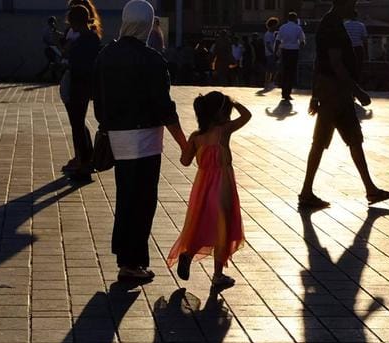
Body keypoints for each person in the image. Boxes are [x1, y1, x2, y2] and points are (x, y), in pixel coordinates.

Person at [95, 0, 186, 285]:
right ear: (147, 25)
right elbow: (164, 107)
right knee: (143, 201)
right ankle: (133, 263)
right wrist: (184, 144)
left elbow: (98, 99)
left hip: (118, 139)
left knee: (126, 199)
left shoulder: (106, 55)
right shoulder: (152, 59)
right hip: (145, 140)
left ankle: (125, 258)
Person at [297, 0, 389, 211]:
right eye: (353, 3)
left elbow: (318, 62)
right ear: (343, 4)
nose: (355, 8)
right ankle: (306, 193)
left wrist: (315, 94)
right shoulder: (332, 26)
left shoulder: (331, 23)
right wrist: (358, 91)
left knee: (353, 139)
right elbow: (336, 63)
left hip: (335, 92)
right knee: (321, 141)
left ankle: (370, 189)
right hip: (335, 93)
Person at [170, 91, 249, 286]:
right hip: (223, 185)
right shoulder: (224, 130)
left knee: (201, 223)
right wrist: (234, 101)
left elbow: (185, 161)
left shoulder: (197, 137)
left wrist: (188, 146)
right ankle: (217, 275)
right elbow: (247, 116)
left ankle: (188, 253)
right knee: (223, 227)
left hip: (203, 187)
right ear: (221, 113)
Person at [60, 3, 100, 181]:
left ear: (75, 21)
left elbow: (81, 63)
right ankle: (85, 160)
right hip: (83, 84)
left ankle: (84, 164)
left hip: (79, 84)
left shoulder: (84, 39)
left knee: (77, 124)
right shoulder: (90, 37)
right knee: (78, 123)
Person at [275, 10, 302, 101]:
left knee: (284, 71)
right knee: (291, 72)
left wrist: (276, 51)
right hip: (294, 51)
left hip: (284, 50)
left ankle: (284, 92)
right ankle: (288, 92)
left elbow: (278, 40)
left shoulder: (282, 27)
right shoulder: (298, 28)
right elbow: (302, 41)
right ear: (295, 18)